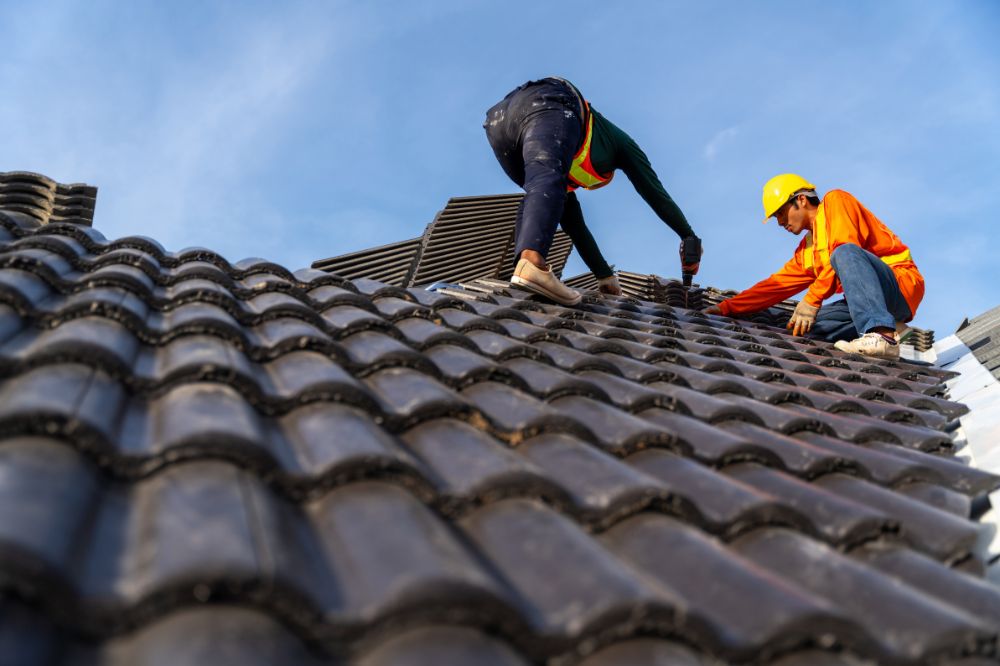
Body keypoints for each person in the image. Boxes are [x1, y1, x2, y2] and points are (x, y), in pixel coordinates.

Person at [484, 76, 702, 305]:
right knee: (547, 181)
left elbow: (575, 226)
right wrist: (688, 236)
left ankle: (523, 270)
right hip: (550, 101)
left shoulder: (560, 169)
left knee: (540, 194)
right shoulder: (620, 144)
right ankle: (531, 262)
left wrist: (604, 275)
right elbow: (654, 192)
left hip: (499, 123)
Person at [703, 174, 924, 360]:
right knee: (807, 326)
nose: (780, 222)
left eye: (780, 213)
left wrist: (812, 299)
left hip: (899, 285)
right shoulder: (808, 250)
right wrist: (726, 308)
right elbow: (775, 286)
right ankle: (892, 327)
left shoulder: (836, 201)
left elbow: (845, 247)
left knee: (844, 252)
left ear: (801, 200)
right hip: (869, 301)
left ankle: (883, 335)